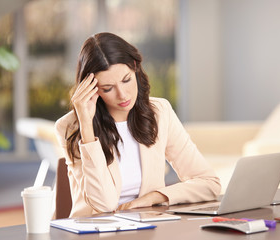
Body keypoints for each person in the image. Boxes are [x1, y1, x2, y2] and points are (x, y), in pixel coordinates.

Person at [54, 32, 221, 218]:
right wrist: (86, 125)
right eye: (108, 88)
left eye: (126, 80)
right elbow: (105, 204)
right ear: (91, 89)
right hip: (96, 231)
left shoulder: (159, 112)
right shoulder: (69, 126)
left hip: (147, 227)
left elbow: (209, 183)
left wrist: (154, 197)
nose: (123, 95)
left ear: (135, 68)